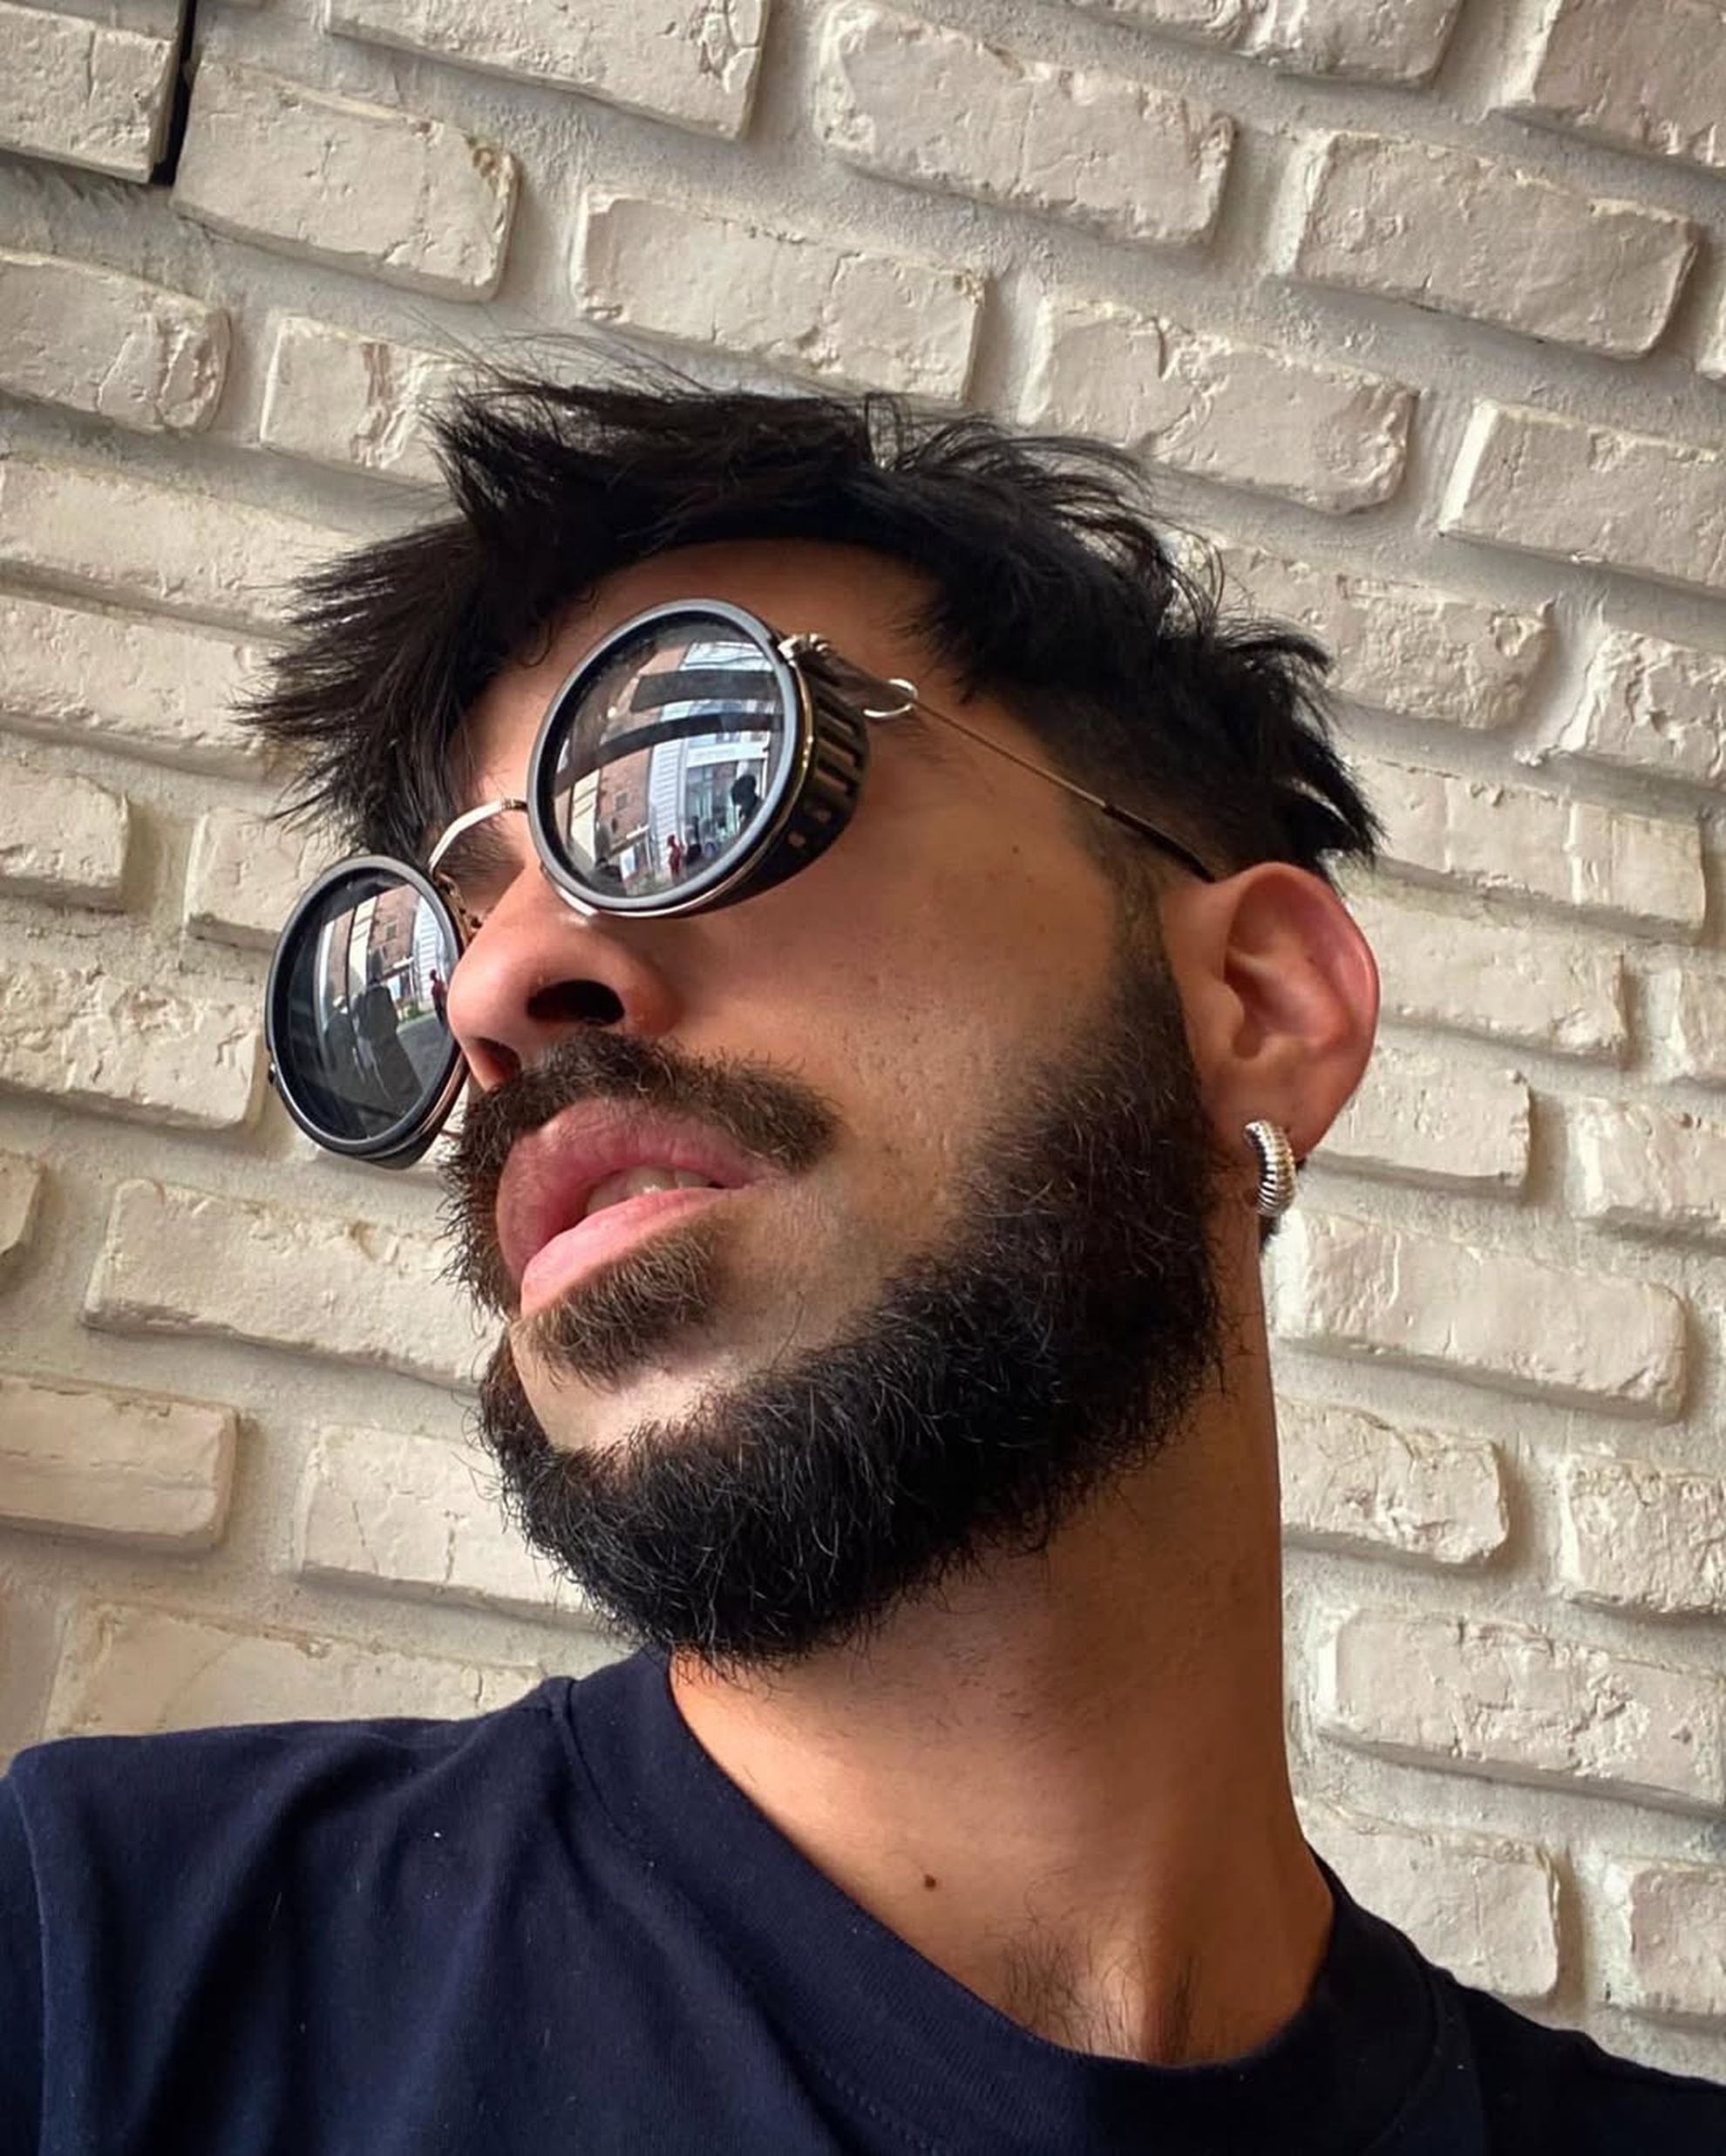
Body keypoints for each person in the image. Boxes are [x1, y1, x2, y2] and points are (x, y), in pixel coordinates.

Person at [2, 374, 1721, 2156]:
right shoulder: (103, 1970)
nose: (492, 988)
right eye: (448, 927)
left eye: (686, 773)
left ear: (1258, 1007)